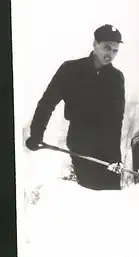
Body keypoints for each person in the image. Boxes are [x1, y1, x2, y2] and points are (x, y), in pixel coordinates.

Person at [25, 24, 126, 190]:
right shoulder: (70, 70)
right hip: (81, 141)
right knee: (90, 192)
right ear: (95, 44)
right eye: (107, 48)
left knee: (111, 198)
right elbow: (47, 102)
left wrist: (115, 157)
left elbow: (117, 119)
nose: (111, 55)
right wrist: (36, 134)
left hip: (108, 146)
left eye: (115, 51)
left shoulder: (116, 78)